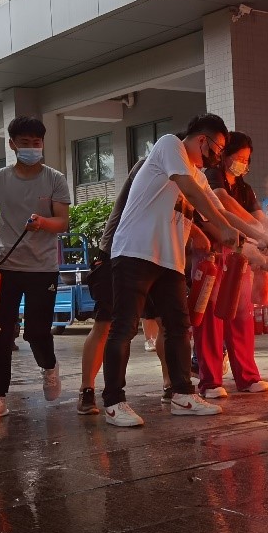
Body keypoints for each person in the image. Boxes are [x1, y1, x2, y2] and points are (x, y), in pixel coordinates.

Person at [99, 115, 268, 427]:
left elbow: (219, 211)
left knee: (179, 327)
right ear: (202, 140)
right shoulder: (169, 145)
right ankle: (113, 402)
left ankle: (183, 395)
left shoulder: (197, 174)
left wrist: (259, 237)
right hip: (135, 251)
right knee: (124, 327)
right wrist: (222, 228)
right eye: (217, 149)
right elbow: (193, 196)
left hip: (169, 259)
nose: (217, 157)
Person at [78, 157, 204, 413]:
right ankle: (87, 390)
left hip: (157, 257)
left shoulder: (189, 175)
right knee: (107, 324)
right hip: (119, 253)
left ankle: (171, 385)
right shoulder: (151, 166)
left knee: (166, 323)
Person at [0, 116, 71, 422]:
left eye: (36, 143)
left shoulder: (55, 179)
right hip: (7, 267)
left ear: (43, 144)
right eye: (24, 143)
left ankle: (49, 367)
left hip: (43, 269)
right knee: (0, 334)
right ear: (12, 145)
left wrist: (43, 222)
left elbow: (62, 222)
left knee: (37, 332)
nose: (31, 148)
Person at [196, 131, 268, 397]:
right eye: (239, 157)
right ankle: (210, 381)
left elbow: (260, 218)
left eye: (247, 159)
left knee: (242, 314)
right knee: (211, 318)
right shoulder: (212, 176)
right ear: (225, 155)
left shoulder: (245, 188)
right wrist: (257, 231)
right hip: (212, 254)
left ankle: (247, 376)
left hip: (239, 256)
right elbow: (223, 205)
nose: (243, 163)